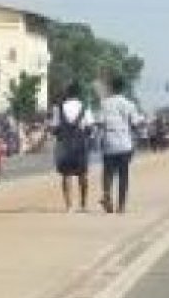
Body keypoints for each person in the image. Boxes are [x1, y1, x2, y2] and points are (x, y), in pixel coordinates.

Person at [98, 74, 145, 214]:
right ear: (123, 88)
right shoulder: (129, 104)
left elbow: (100, 123)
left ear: (111, 88)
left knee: (108, 173)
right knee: (123, 175)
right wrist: (136, 135)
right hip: (125, 143)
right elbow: (136, 123)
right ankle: (121, 206)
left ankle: (107, 195)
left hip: (109, 143)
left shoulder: (104, 103)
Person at [50, 83, 93, 212]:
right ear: (79, 94)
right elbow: (90, 128)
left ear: (67, 93)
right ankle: (83, 204)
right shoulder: (85, 108)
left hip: (64, 145)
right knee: (83, 175)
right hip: (80, 144)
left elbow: (55, 128)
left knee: (66, 175)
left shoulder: (59, 108)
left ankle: (69, 205)